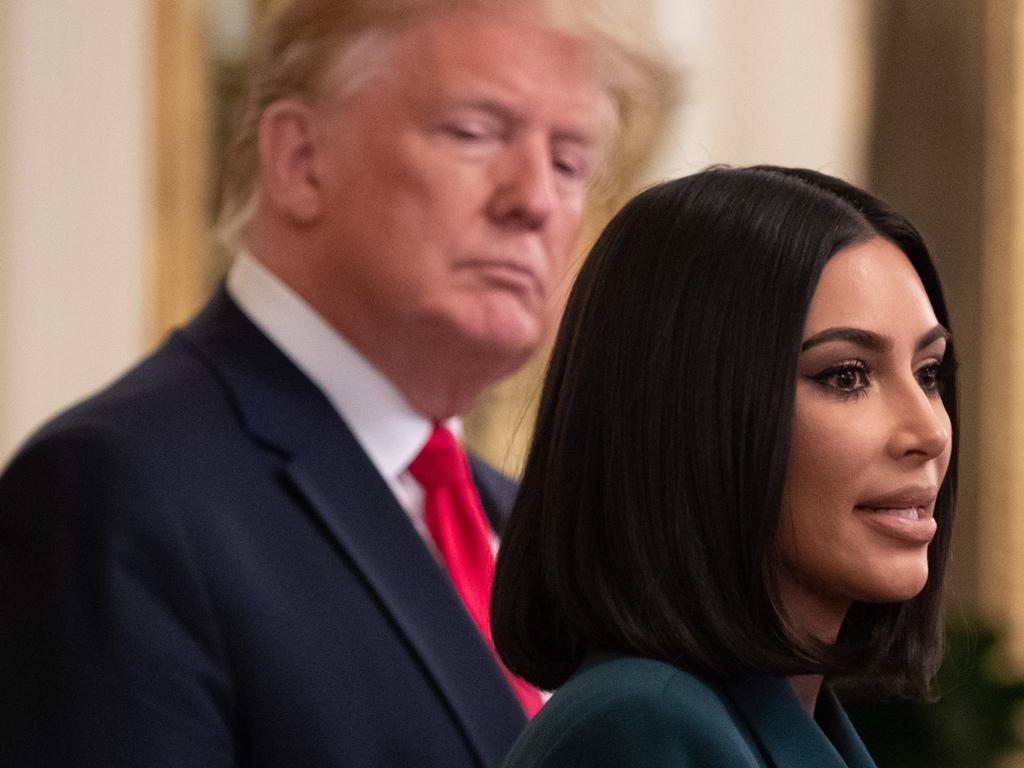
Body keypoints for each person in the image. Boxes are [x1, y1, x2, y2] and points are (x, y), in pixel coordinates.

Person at [0, 1, 667, 766]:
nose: (536, 200)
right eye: (475, 132)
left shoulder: (524, 529)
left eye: (569, 162)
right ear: (299, 159)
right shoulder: (114, 492)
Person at [491, 166, 958, 768]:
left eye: (929, 374)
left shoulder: (782, 718)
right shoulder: (639, 730)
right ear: (692, 412)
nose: (928, 432)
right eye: (846, 376)